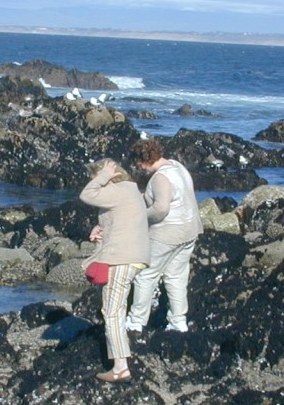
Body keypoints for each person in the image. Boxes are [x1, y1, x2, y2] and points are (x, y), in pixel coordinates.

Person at [79, 158, 150, 382]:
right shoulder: (130, 192)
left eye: (95, 177)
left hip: (121, 260)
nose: (94, 182)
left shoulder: (117, 190)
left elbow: (87, 195)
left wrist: (103, 176)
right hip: (133, 258)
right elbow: (123, 224)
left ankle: (121, 368)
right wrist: (101, 230)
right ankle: (120, 365)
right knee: (116, 310)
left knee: (112, 313)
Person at [125, 139, 202, 333]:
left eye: (138, 164)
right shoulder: (177, 166)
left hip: (168, 233)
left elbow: (161, 209)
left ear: (143, 160)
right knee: (176, 276)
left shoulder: (160, 178)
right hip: (190, 229)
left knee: (145, 275)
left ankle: (136, 321)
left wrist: (139, 216)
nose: (139, 168)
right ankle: (178, 320)